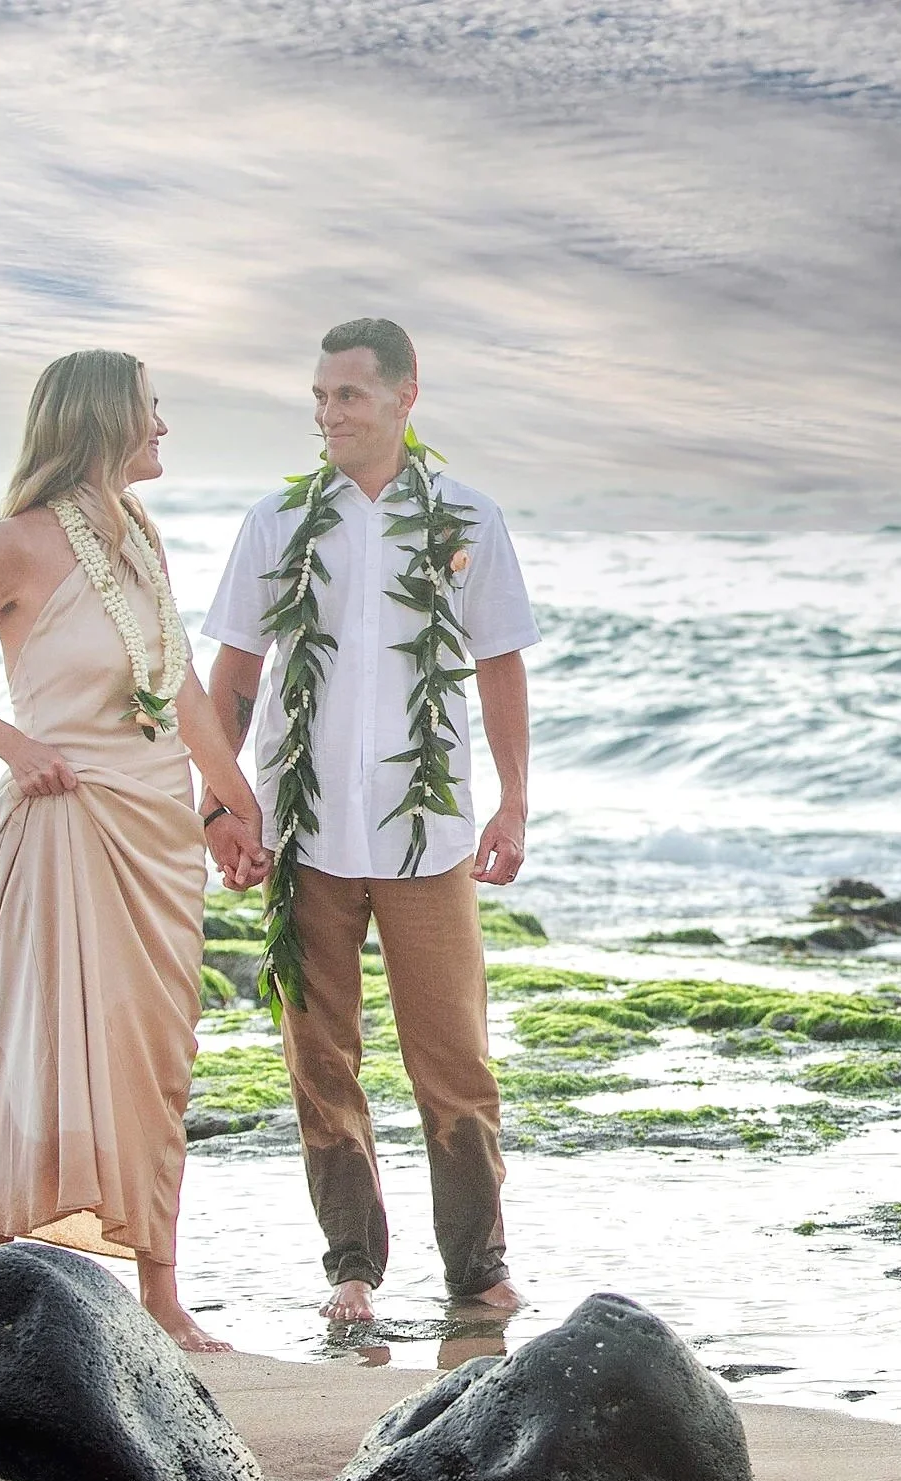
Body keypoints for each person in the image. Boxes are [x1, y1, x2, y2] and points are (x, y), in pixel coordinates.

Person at [0, 348, 268, 1352]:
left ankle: (161, 1295)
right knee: (45, 1045)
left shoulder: (140, 536)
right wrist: (18, 747)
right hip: (62, 824)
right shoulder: (16, 543)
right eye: (151, 410)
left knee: (155, 1051)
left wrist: (233, 800)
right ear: (103, 422)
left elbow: (178, 686)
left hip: (153, 827)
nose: (164, 427)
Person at [199, 317, 535, 1324]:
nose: (327, 413)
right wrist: (221, 800)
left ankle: (476, 1267)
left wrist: (514, 798)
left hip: (426, 839)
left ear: (404, 395)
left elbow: (500, 662)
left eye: (347, 394)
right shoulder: (276, 520)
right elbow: (234, 669)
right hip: (303, 837)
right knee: (319, 1056)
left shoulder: (468, 519)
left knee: (455, 1061)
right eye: (319, 396)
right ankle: (351, 1263)